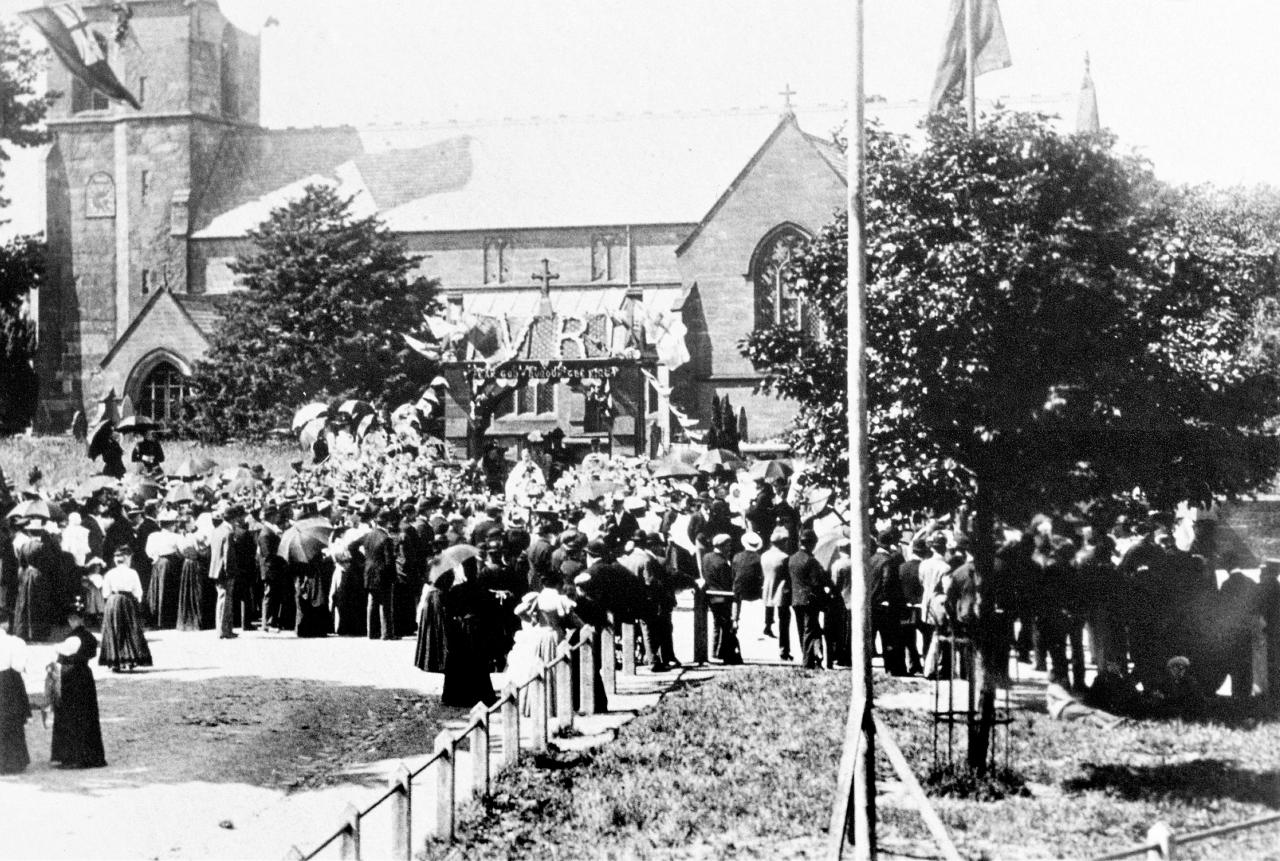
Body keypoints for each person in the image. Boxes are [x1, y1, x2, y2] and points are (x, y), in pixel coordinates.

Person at [50, 598, 108, 769]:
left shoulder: (73, 639)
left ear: (80, 619)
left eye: (74, 618)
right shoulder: (90, 637)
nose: (72, 621)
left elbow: (60, 648)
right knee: (86, 713)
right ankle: (90, 755)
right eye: (71, 618)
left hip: (72, 676)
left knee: (71, 713)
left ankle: (74, 757)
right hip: (85, 675)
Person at [440, 559, 498, 708]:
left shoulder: (457, 590)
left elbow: (448, 609)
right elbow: (489, 612)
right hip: (477, 629)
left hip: (461, 628)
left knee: (460, 660)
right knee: (478, 661)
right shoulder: (482, 589)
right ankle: (479, 694)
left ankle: (457, 695)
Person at [98, 544, 152, 672]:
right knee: (129, 629)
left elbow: (105, 593)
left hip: (113, 601)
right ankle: (130, 659)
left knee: (114, 629)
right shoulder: (132, 573)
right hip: (127, 601)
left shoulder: (110, 573)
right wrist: (137, 602)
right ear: (127, 558)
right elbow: (138, 591)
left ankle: (115, 661)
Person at [789, 529, 829, 669]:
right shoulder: (811, 561)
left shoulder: (792, 559)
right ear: (812, 543)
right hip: (810, 600)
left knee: (802, 630)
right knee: (810, 630)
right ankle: (808, 662)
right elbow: (816, 582)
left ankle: (810, 658)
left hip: (796, 599)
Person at [701, 534, 742, 665]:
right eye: (728, 545)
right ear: (722, 546)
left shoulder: (706, 557)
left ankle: (715, 651)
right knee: (724, 625)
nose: (729, 548)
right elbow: (727, 582)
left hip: (710, 595)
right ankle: (721, 652)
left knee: (717, 624)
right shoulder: (722, 563)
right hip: (723, 596)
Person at [0, 614, 31, 774]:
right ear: (6, 623)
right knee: (10, 720)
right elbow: (18, 666)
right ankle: (13, 761)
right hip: (7, 681)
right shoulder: (14, 642)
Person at [762, 526, 792, 660]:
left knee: (770, 609)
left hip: (767, 588)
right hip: (781, 590)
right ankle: (784, 649)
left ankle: (768, 625)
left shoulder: (764, 556)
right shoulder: (784, 557)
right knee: (784, 620)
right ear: (782, 543)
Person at [730, 531, 764, 632]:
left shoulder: (737, 556)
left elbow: (733, 573)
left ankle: (735, 619)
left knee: (735, 597)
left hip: (739, 587)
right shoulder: (759, 558)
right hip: (754, 589)